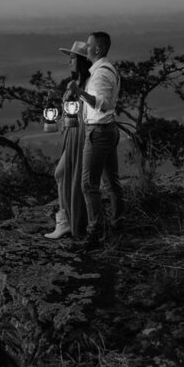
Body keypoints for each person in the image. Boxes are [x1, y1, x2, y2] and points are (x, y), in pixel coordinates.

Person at [67, 31, 124, 244]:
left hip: (99, 132)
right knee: (111, 181)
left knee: (88, 185)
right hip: (108, 129)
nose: (85, 48)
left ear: (97, 49)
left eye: (89, 45)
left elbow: (102, 103)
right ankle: (117, 223)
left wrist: (78, 92)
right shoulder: (105, 70)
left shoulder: (100, 74)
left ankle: (95, 232)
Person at [44, 40, 91, 240]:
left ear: (81, 60)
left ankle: (70, 222)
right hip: (72, 133)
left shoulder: (87, 84)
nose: (69, 62)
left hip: (81, 135)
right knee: (63, 175)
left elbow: (87, 109)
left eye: (72, 58)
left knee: (63, 174)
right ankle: (66, 220)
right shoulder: (76, 83)